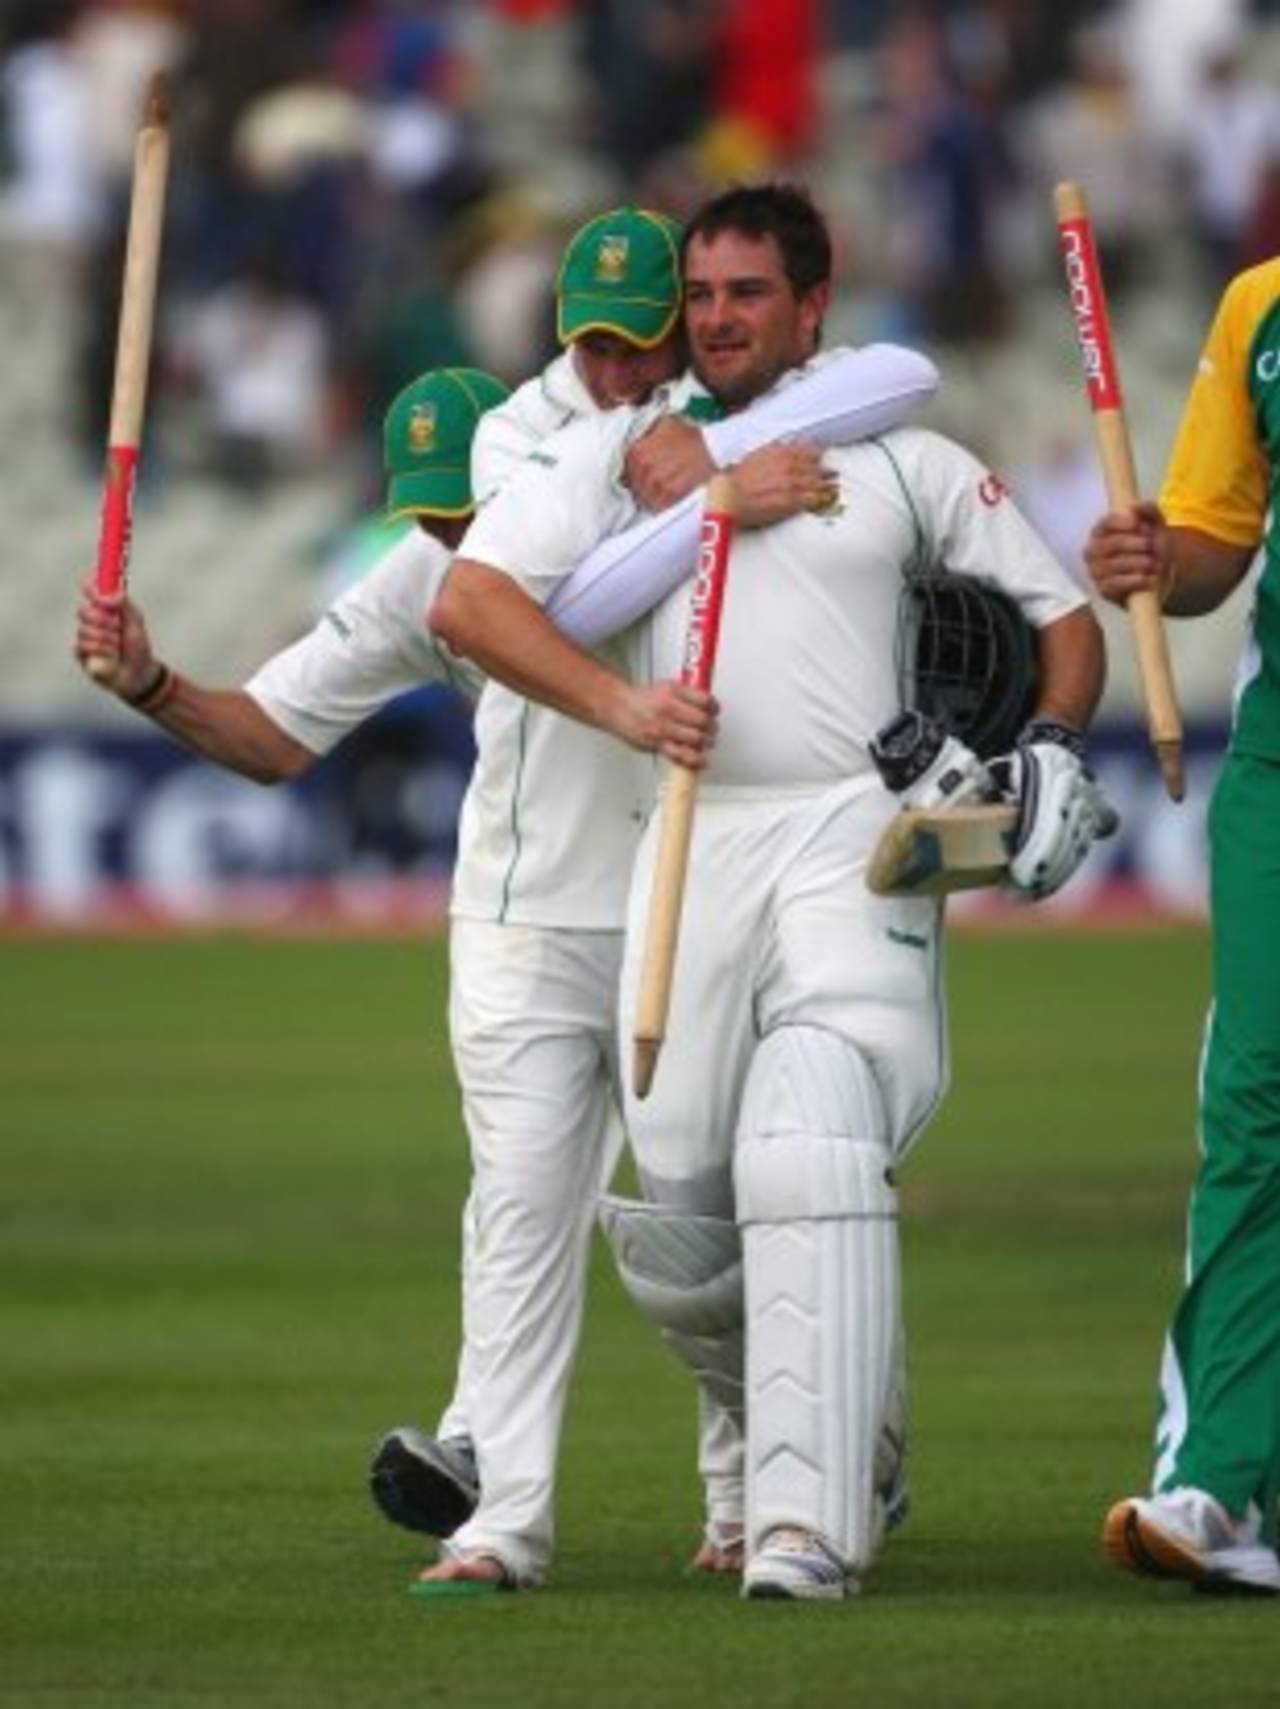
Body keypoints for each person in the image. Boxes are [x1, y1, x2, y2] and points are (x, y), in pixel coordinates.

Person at [431, 181, 1112, 1601]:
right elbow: (470, 604)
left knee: (804, 1138)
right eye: (704, 295)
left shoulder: (901, 452)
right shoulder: (634, 453)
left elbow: (1059, 615)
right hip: (691, 842)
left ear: (813, 303)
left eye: (751, 293)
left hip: (846, 841)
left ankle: (805, 1529)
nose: (721, 318)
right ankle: (846, 1421)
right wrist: (622, 707)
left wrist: (1045, 743)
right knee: (679, 1222)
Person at [1084, 257, 1280, 1598]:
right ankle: (1214, 1476)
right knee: (1258, 1102)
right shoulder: (1261, 302)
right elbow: (1217, 542)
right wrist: (1162, 556)